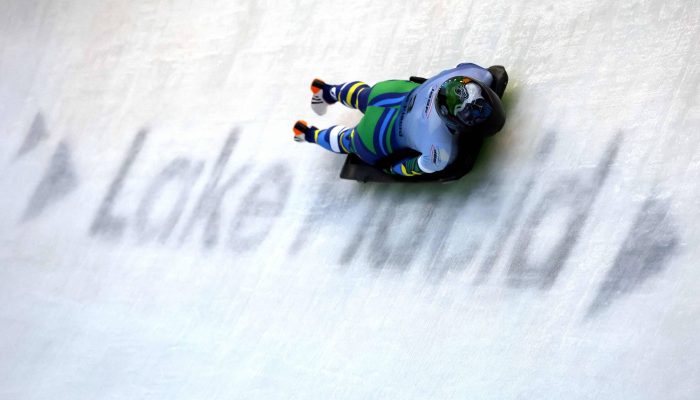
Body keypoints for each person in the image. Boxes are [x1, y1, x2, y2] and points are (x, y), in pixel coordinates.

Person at [293, 62, 505, 178]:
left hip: (391, 93)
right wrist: (389, 168)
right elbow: (412, 167)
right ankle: (308, 133)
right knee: (350, 141)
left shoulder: (474, 74)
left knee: (365, 96)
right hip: (379, 133)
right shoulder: (439, 150)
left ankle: (326, 90)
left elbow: (461, 68)